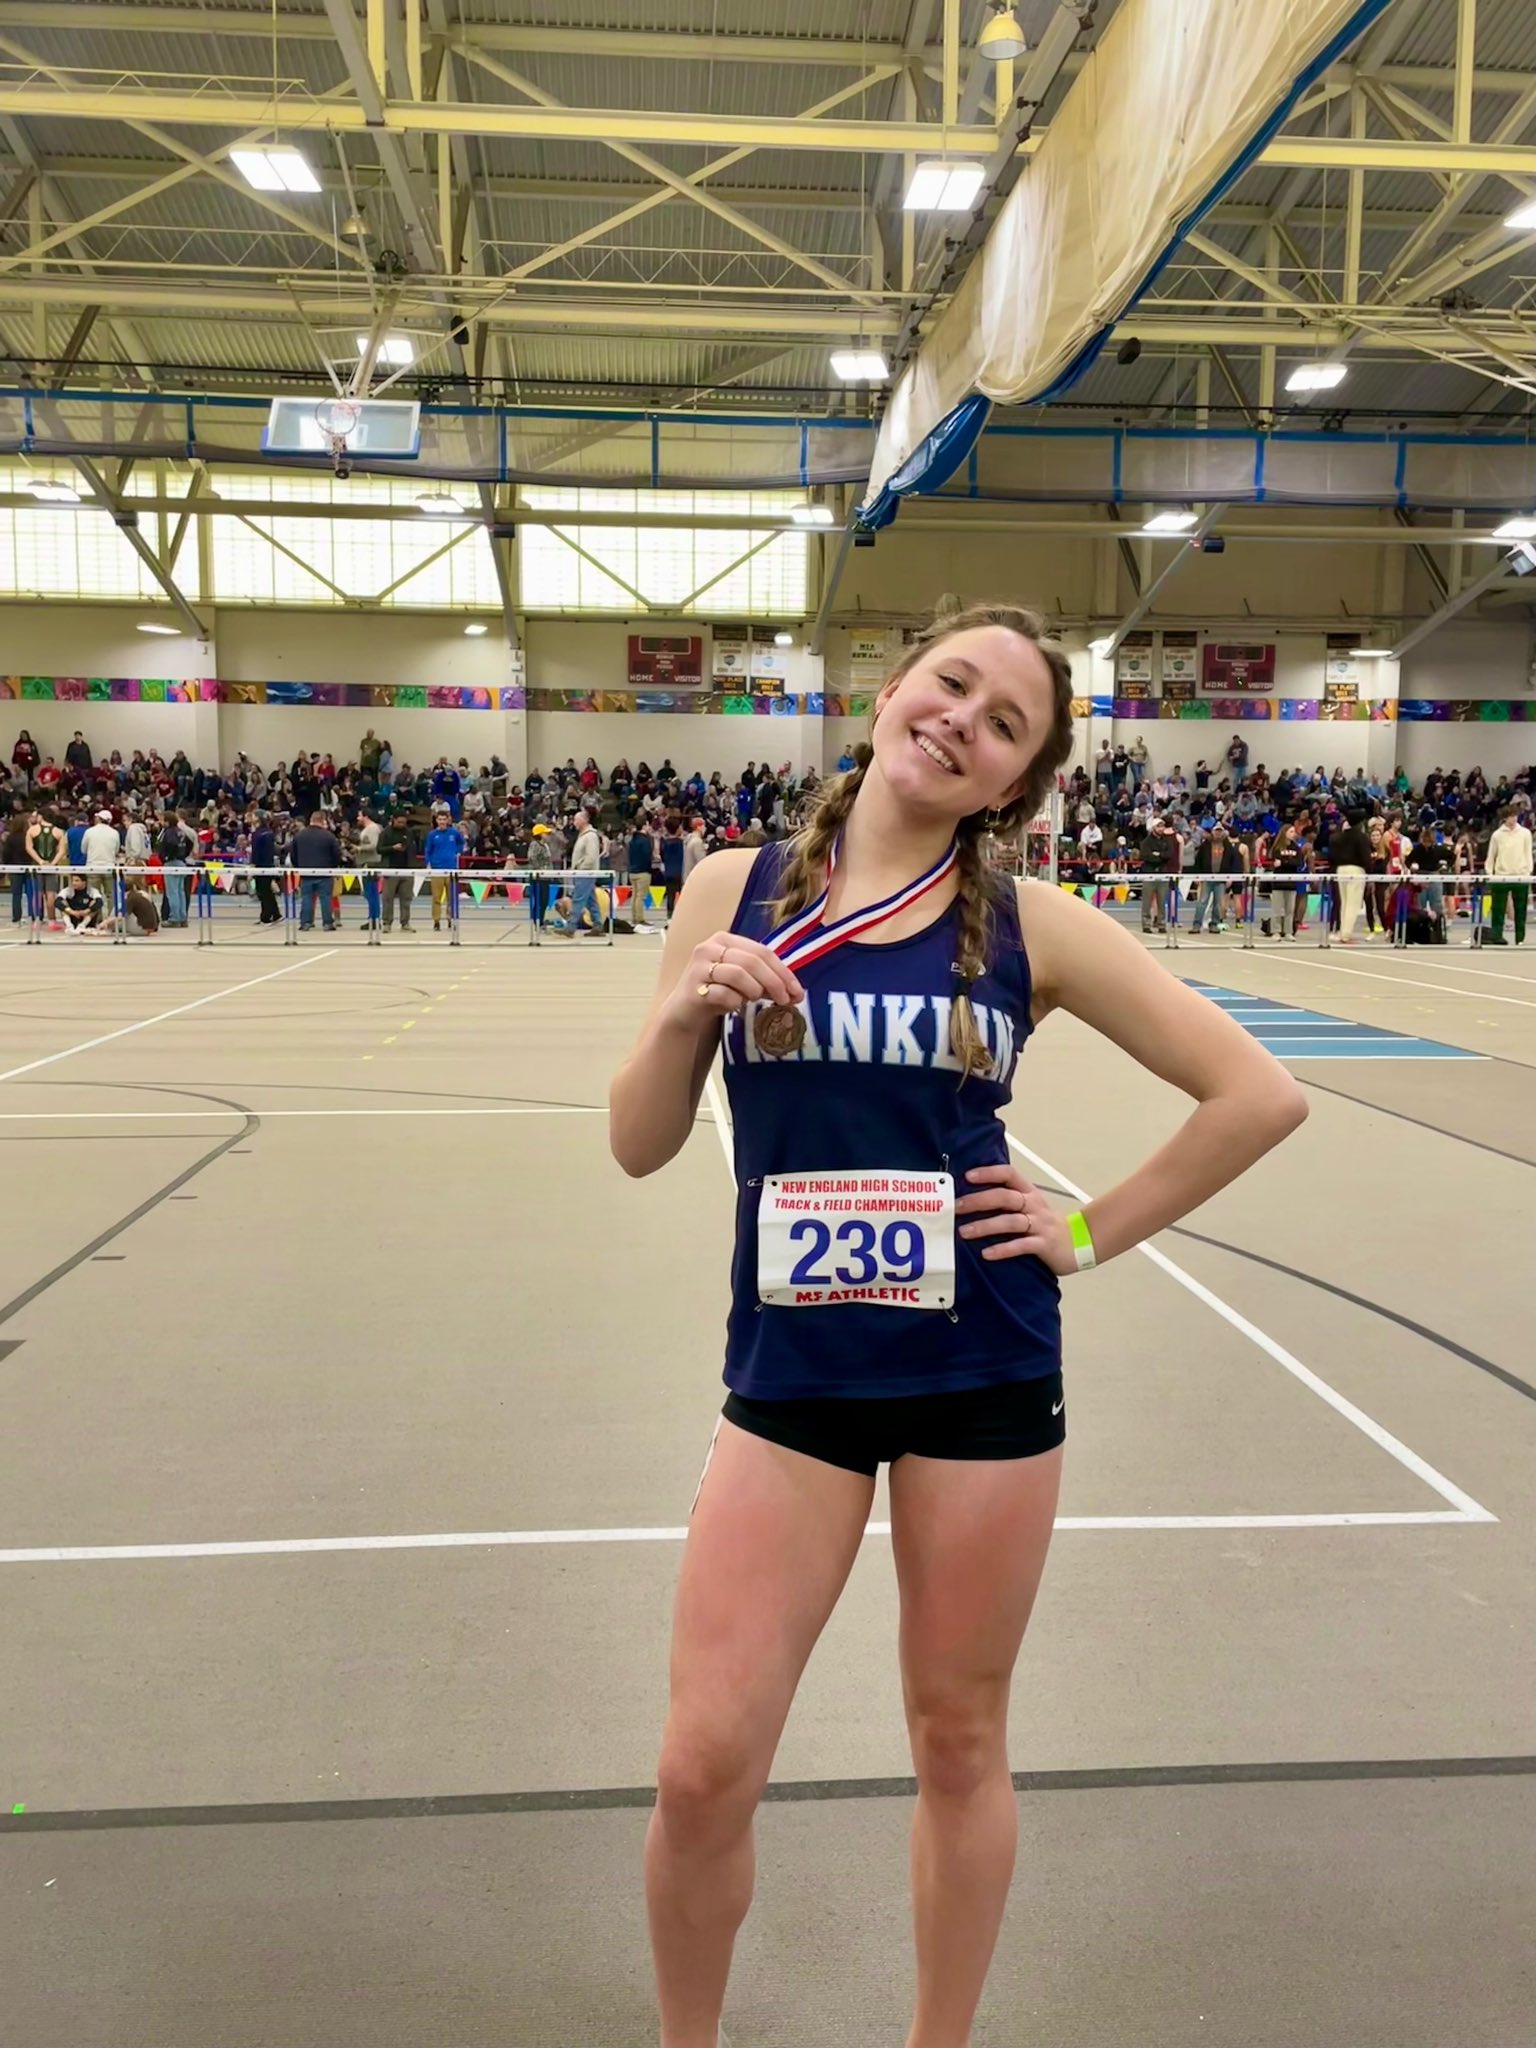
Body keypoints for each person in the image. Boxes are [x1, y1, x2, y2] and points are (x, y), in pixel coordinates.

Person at [609, 599, 1306, 2048]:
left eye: (1005, 727)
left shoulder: (1033, 926)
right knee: (703, 1763)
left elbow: (1259, 1094)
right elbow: (637, 1143)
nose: (963, 723)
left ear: (1014, 785)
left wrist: (1086, 1228)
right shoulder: (730, 886)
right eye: (953, 685)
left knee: (959, 1736)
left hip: (982, 1373)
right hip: (792, 1378)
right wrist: (687, 1015)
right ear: (893, 688)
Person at [1485, 803, 1533, 945]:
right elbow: (1491, 855)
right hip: (1501, 876)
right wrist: (1490, 874)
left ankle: (1520, 939)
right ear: (1504, 819)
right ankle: (1496, 937)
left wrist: (1528, 872)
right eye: (1510, 817)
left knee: (1520, 910)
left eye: (1514, 816)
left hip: (1521, 876)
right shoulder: (1497, 835)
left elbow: (1528, 853)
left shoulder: (1525, 833)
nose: (1513, 820)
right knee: (1498, 910)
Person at [289, 811, 343, 932]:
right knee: (325, 898)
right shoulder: (329, 836)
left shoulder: (299, 835)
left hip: (306, 872)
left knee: (307, 897)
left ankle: (306, 923)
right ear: (322, 820)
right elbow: (337, 854)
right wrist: (332, 867)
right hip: (324, 872)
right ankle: (327, 923)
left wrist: (299, 867)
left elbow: (293, 854)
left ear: (311, 820)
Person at [1329, 811, 1372, 945]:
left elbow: (1332, 856)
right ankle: (1346, 935)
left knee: (1344, 902)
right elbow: (1366, 858)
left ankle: (1343, 931)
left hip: (1340, 870)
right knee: (1352, 904)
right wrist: (1369, 873)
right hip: (1356, 870)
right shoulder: (1362, 837)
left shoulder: (1338, 837)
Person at [423, 805, 464, 930]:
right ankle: (436, 920)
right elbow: (427, 850)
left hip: (451, 869)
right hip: (437, 869)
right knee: (436, 897)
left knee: (452, 897)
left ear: (448, 820)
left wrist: (458, 851)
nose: (441, 822)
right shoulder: (432, 835)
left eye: (444, 819)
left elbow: (461, 842)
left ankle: (451, 919)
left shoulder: (454, 833)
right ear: (436, 820)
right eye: (439, 819)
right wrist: (428, 862)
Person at [378, 810, 418, 932]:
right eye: (399, 822)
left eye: (404, 822)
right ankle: (386, 922)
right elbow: (379, 849)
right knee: (387, 898)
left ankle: (405, 922)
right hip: (390, 869)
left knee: (406, 898)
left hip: (407, 870)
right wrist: (392, 848)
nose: (401, 824)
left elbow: (414, 847)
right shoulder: (385, 833)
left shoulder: (409, 832)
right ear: (393, 820)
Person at [570, 807, 606, 936]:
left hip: (585, 873)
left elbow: (591, 857)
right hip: (583, 873)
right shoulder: (583, 835)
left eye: (576, 819)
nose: (573, 822)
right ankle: (598, 925)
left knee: (578, 899)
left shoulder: (590, 836)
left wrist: (581, 868)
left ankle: (570, 927)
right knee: (591, 901)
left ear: (584, 820)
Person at [156, 810, 194, 926]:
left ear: (167, 821)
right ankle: (183, 917)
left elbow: (170, 844)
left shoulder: (169, 832)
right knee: (180, 892)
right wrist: (183, 855)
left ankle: (174, 918)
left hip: (172, 863)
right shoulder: (180, 831)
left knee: (172, 892)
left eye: (162, 820)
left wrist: (166, 856)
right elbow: (190, 844)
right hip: (181, 863)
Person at [250, 812, 281, 924]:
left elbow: (256, 852)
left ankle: (269, 915)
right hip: (268, 865)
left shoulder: (257, 834)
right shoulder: (269, 832)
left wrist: (253, 866)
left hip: (260, 866)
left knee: (263, 891)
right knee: (266, 891)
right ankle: (269, 914)